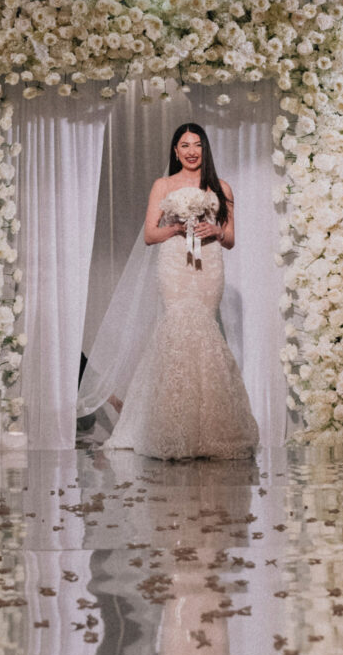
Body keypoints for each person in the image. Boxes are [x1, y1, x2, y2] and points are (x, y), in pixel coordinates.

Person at [107, 123, 258, 459]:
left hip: (209, 266)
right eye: (184, 145)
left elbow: (231, 239)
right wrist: (177, 226)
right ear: (175, 151)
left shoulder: (221, 187)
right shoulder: (163, 184)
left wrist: (215, 230)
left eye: (197, 144)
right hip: (175, 263)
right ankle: (173, 425)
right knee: (177, 329)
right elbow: (149, 234)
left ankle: (211, 427)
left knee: (204, 331)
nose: (191, 151)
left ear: (205, 149)